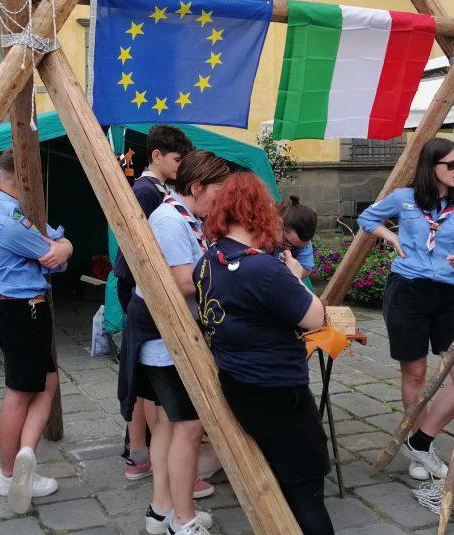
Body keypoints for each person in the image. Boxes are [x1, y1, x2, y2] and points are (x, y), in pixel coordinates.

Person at [197, 172, 334, 534]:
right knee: (306, 489)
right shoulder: (264, 269)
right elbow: (316, 319)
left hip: (239, 381)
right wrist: (292, 274)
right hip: (277, 390)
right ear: (261, 212)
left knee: (280, 477)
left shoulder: (211, 259)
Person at [118, 150, 230, 535]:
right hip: (166, 343)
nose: (222, 200)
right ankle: (183, 521)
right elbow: (184, 282)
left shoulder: (185, 217)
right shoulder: (170, 220)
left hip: (170, 339)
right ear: (196, 187)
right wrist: (231, 269)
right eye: (219, 191)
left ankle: (161, 511)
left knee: (168, 425)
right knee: (189, 428)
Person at [357, 137, 454, 480]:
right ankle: (418, 448)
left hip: (449, 296)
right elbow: (366, 219)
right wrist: (391, 237)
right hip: (407, 292)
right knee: (415, 374)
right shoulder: (403, 198)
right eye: (451, 165)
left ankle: (422, 440)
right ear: (432, 167)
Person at [0, 148, 74, 514]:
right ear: (25, 175)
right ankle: (9, 473)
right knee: (19, 392)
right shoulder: (11, 220)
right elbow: (55, 256)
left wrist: (62, 247)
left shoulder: (4, 211)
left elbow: (55, 249)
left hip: (18, 310)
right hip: (22, 312)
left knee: (46, 384)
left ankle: (26, 455)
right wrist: (64, 247)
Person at [113, 125, 195, 482]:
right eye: (178, 160)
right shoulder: (146, 192)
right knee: (146, 378)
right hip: (138, 287)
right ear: (157, 156)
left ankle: (141, 451)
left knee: (147, 379)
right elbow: (139, 250)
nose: (181, 166)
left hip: (145, 288)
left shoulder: (159, 189)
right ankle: (138, 452)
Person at [281, 197, 318, 290]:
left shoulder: (305, 242)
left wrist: (291, 272)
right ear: (280, 226)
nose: (288, 251)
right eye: (287, 242)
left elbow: (307, 269)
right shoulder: (264, 233)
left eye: (296, 246)